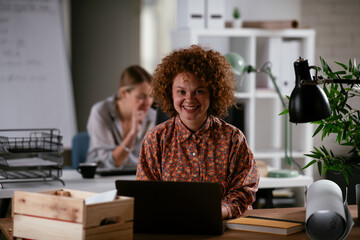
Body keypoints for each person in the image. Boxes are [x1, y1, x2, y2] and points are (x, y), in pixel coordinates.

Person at [136, 45, 259, 219]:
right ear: (170, 93)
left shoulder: (233, 139)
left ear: (213, 93)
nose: (189, 99)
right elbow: (145, 194)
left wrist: (216, 213)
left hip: (223, 226)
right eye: (181, 92)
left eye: (199, 91)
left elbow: (244, 191)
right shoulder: (155, 139)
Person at [86, 65, 155, 170]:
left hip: (134, 176)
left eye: (151, 96)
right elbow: (111, 162)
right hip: (99, 176)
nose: (147, 103)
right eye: (141, 97)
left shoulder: (152, 116)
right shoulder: (101, 112)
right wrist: (133, 133)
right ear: (123, 93)